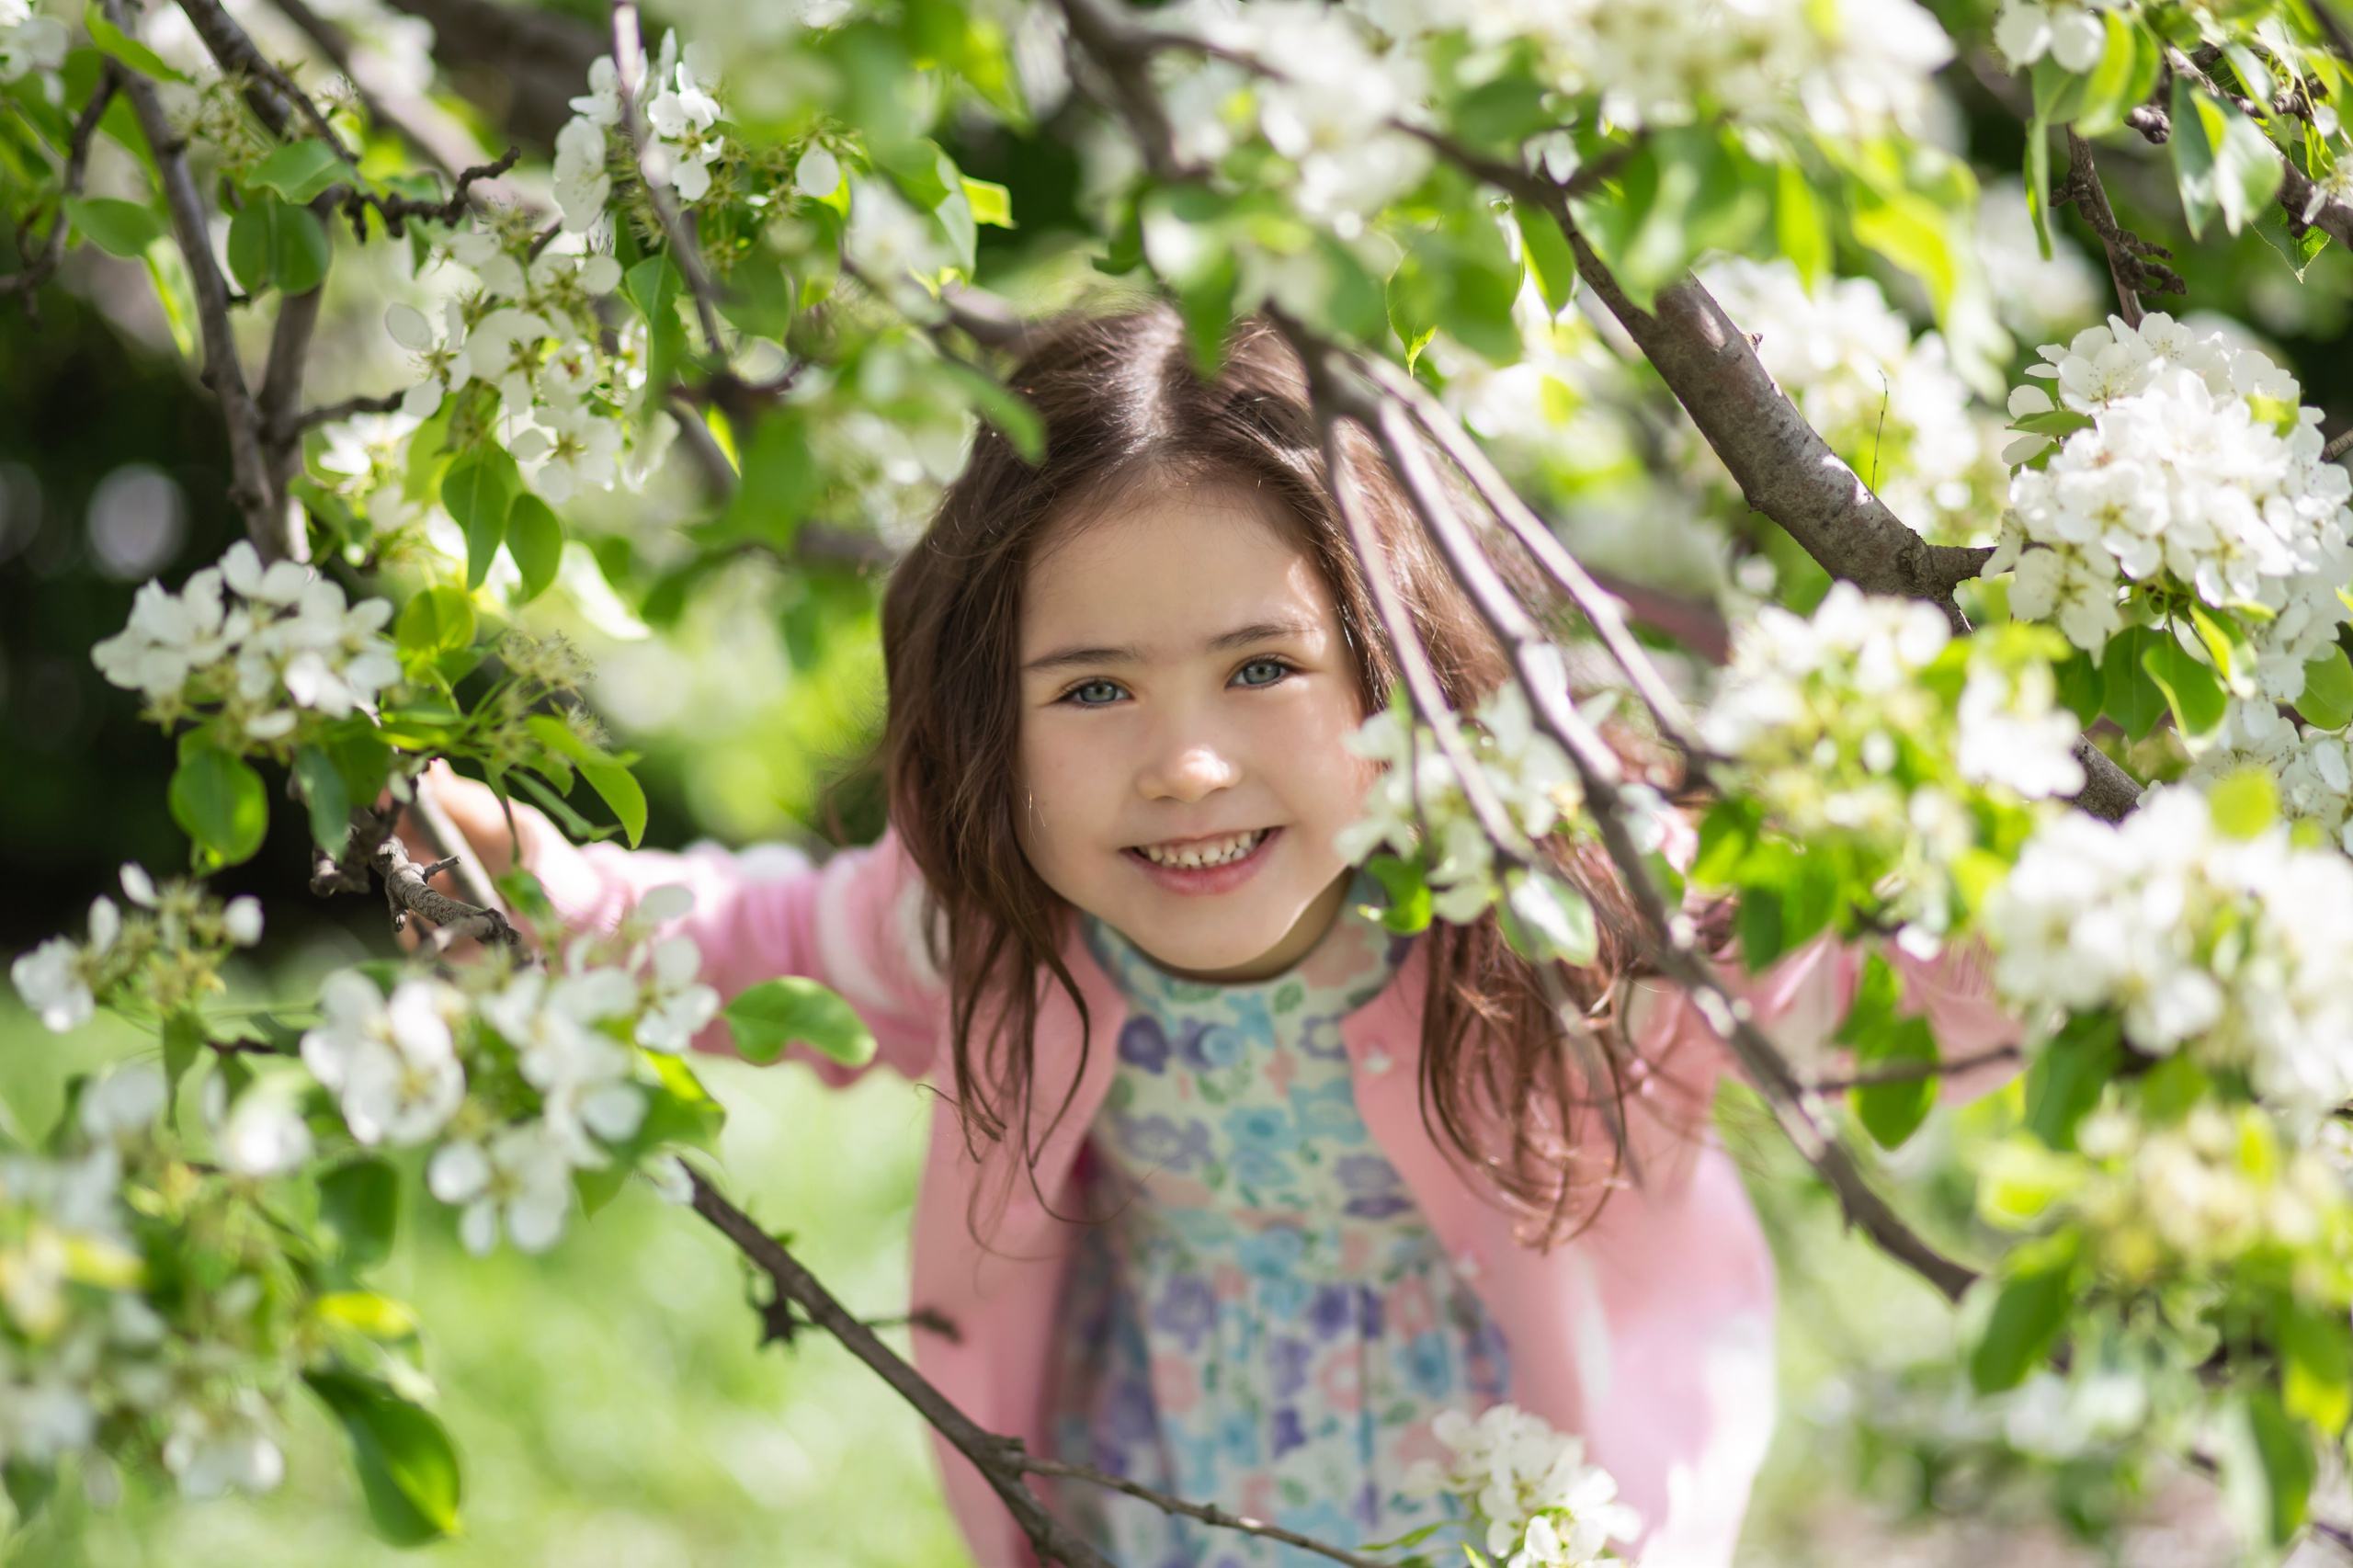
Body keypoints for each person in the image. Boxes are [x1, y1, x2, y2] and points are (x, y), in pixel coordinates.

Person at [412, 305, 2011, 1567]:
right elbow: (767, 935)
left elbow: (1886, 987)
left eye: (1263, 670)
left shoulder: (1551, 912)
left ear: (1396, 675)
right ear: (994, 722)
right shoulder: (1000, 929)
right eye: (1095, 688)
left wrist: (2066, 904)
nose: (1185, 762)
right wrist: (552, 903)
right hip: (1158, 1505)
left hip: (1528, 1516)